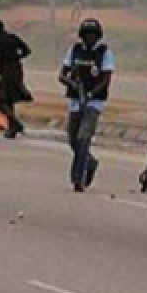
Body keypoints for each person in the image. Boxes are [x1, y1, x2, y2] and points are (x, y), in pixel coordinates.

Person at [59, 18, 113, 192]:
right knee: (73, 139)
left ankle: (78, 178)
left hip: (94, 102)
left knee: (84, 138)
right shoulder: (74, 50)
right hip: (76, 101)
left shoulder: (104, 53)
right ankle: (89, 162)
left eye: (93, 35)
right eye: (87, 35)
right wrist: (72, 83)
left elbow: (106, 80)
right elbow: (62, 75)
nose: (90, 38)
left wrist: (90, 94)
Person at [0, 20, 32, 139]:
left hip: (7, 73)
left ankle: (16, 124)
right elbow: (27, 51)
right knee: (9, 100)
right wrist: (16, 58)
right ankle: (12, 129)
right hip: (17, 71)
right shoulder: (13, 37)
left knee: (0, 102)